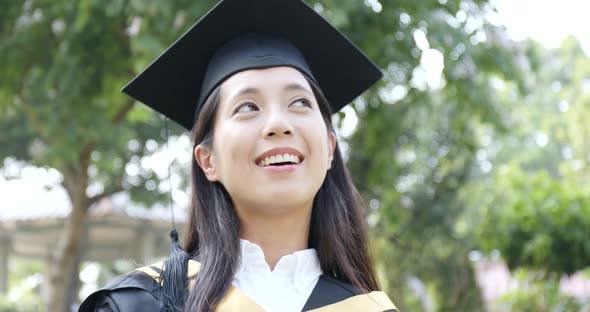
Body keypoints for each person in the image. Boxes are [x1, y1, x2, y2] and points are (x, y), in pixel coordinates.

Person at [79, 0, 398, 311]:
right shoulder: (142, 305)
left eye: (299, 102)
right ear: (208, 160)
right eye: (248, 107)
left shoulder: (369, 309)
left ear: (329, 149)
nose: (278, 124)